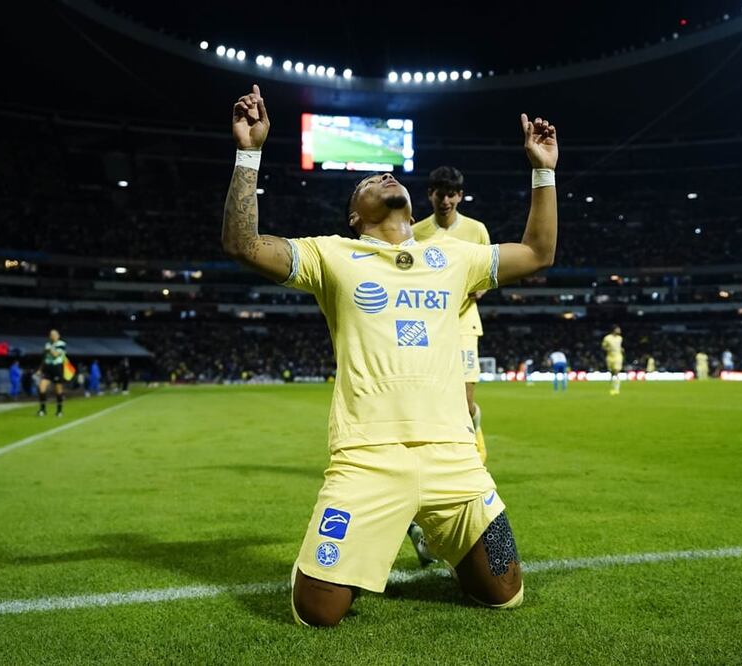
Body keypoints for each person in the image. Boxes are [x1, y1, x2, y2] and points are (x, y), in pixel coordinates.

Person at [222, 85, 558, 626]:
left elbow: (539, 253)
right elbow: (244, 245)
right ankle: (365, 539)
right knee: (318, 612)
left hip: (455, 459)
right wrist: (249, 152)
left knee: (504, 592)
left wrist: (543, 171)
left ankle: (439, 536)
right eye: (367, 181)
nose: (384, 176)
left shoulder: (453, 256)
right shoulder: (332, 254)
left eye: (389, 175)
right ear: (354, 215)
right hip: (367, 458)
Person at [412, 166, 492, 463]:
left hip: (463, 323)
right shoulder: (416, 232)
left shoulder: (476, 230)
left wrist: (482, 289)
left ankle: (476, 436)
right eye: (439, 194)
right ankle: (446, 457)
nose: (445, 200)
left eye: (450, 194)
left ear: (460, 195)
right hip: (429, 324)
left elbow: (488, 272)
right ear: (430, 195)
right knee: (428, 396)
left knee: (464, 400)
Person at [37, 329, 67, 417]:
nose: (52, 336)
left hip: (57, 367)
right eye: (51, 334)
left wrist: (49, 349)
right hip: (47, 368)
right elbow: (44, 358)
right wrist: (40, 369)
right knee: (41, 387)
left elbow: (56, 355)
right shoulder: (47, 344)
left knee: (58, 389)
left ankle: (59, 411)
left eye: (54, 334)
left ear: (58, 335)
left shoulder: (61, 344)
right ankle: (42, 409)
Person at [601, 325, 624, 395]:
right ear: (614, 330)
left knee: (616, 371)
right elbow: (603, 347)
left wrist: (621, 349)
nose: (619, 330)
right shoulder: (607, 338)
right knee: (612, 372)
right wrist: (608, 349)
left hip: (618, 356)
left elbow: (619, 347)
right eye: (618, 329)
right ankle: (612, 387)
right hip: (610, 357)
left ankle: (616, 389)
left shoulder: (620, 338)